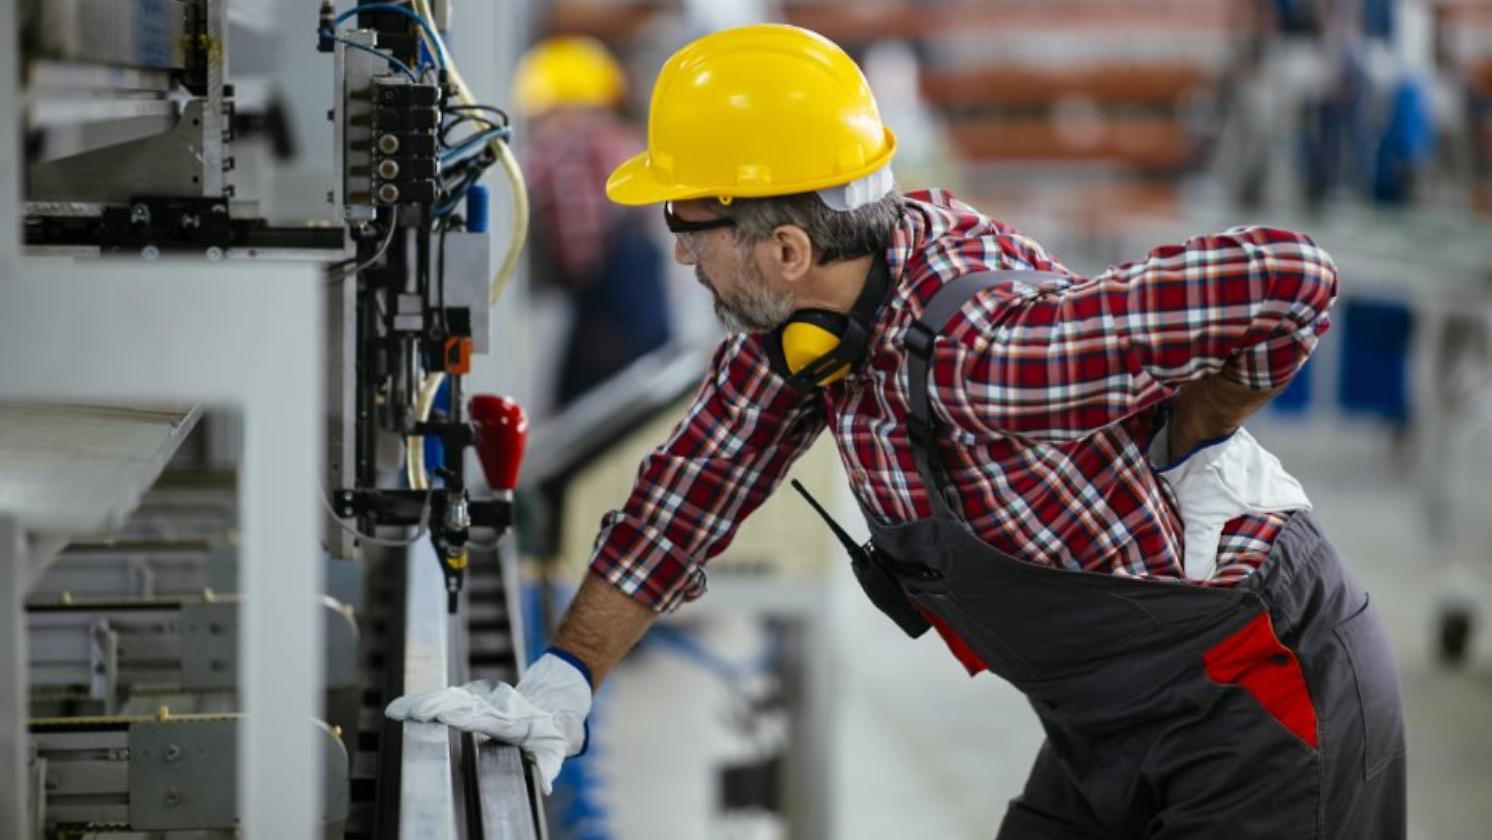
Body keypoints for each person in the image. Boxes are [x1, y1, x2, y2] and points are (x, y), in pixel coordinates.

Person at [389, 24, 1406, 838]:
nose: (683, 259)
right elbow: (686, 493)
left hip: (1263, 697)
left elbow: (1289, 277)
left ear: (785, 245)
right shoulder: (807, 328)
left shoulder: (985, 350)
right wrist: (562, 684)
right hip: (1112, 722)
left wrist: (1198, 431)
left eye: (686, 228)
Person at [513, 35, 672, 407]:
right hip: (643, 306)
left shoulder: (563, 150)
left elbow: (578, 249)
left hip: (607, 312)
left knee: (584, 411)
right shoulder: (626, 142)